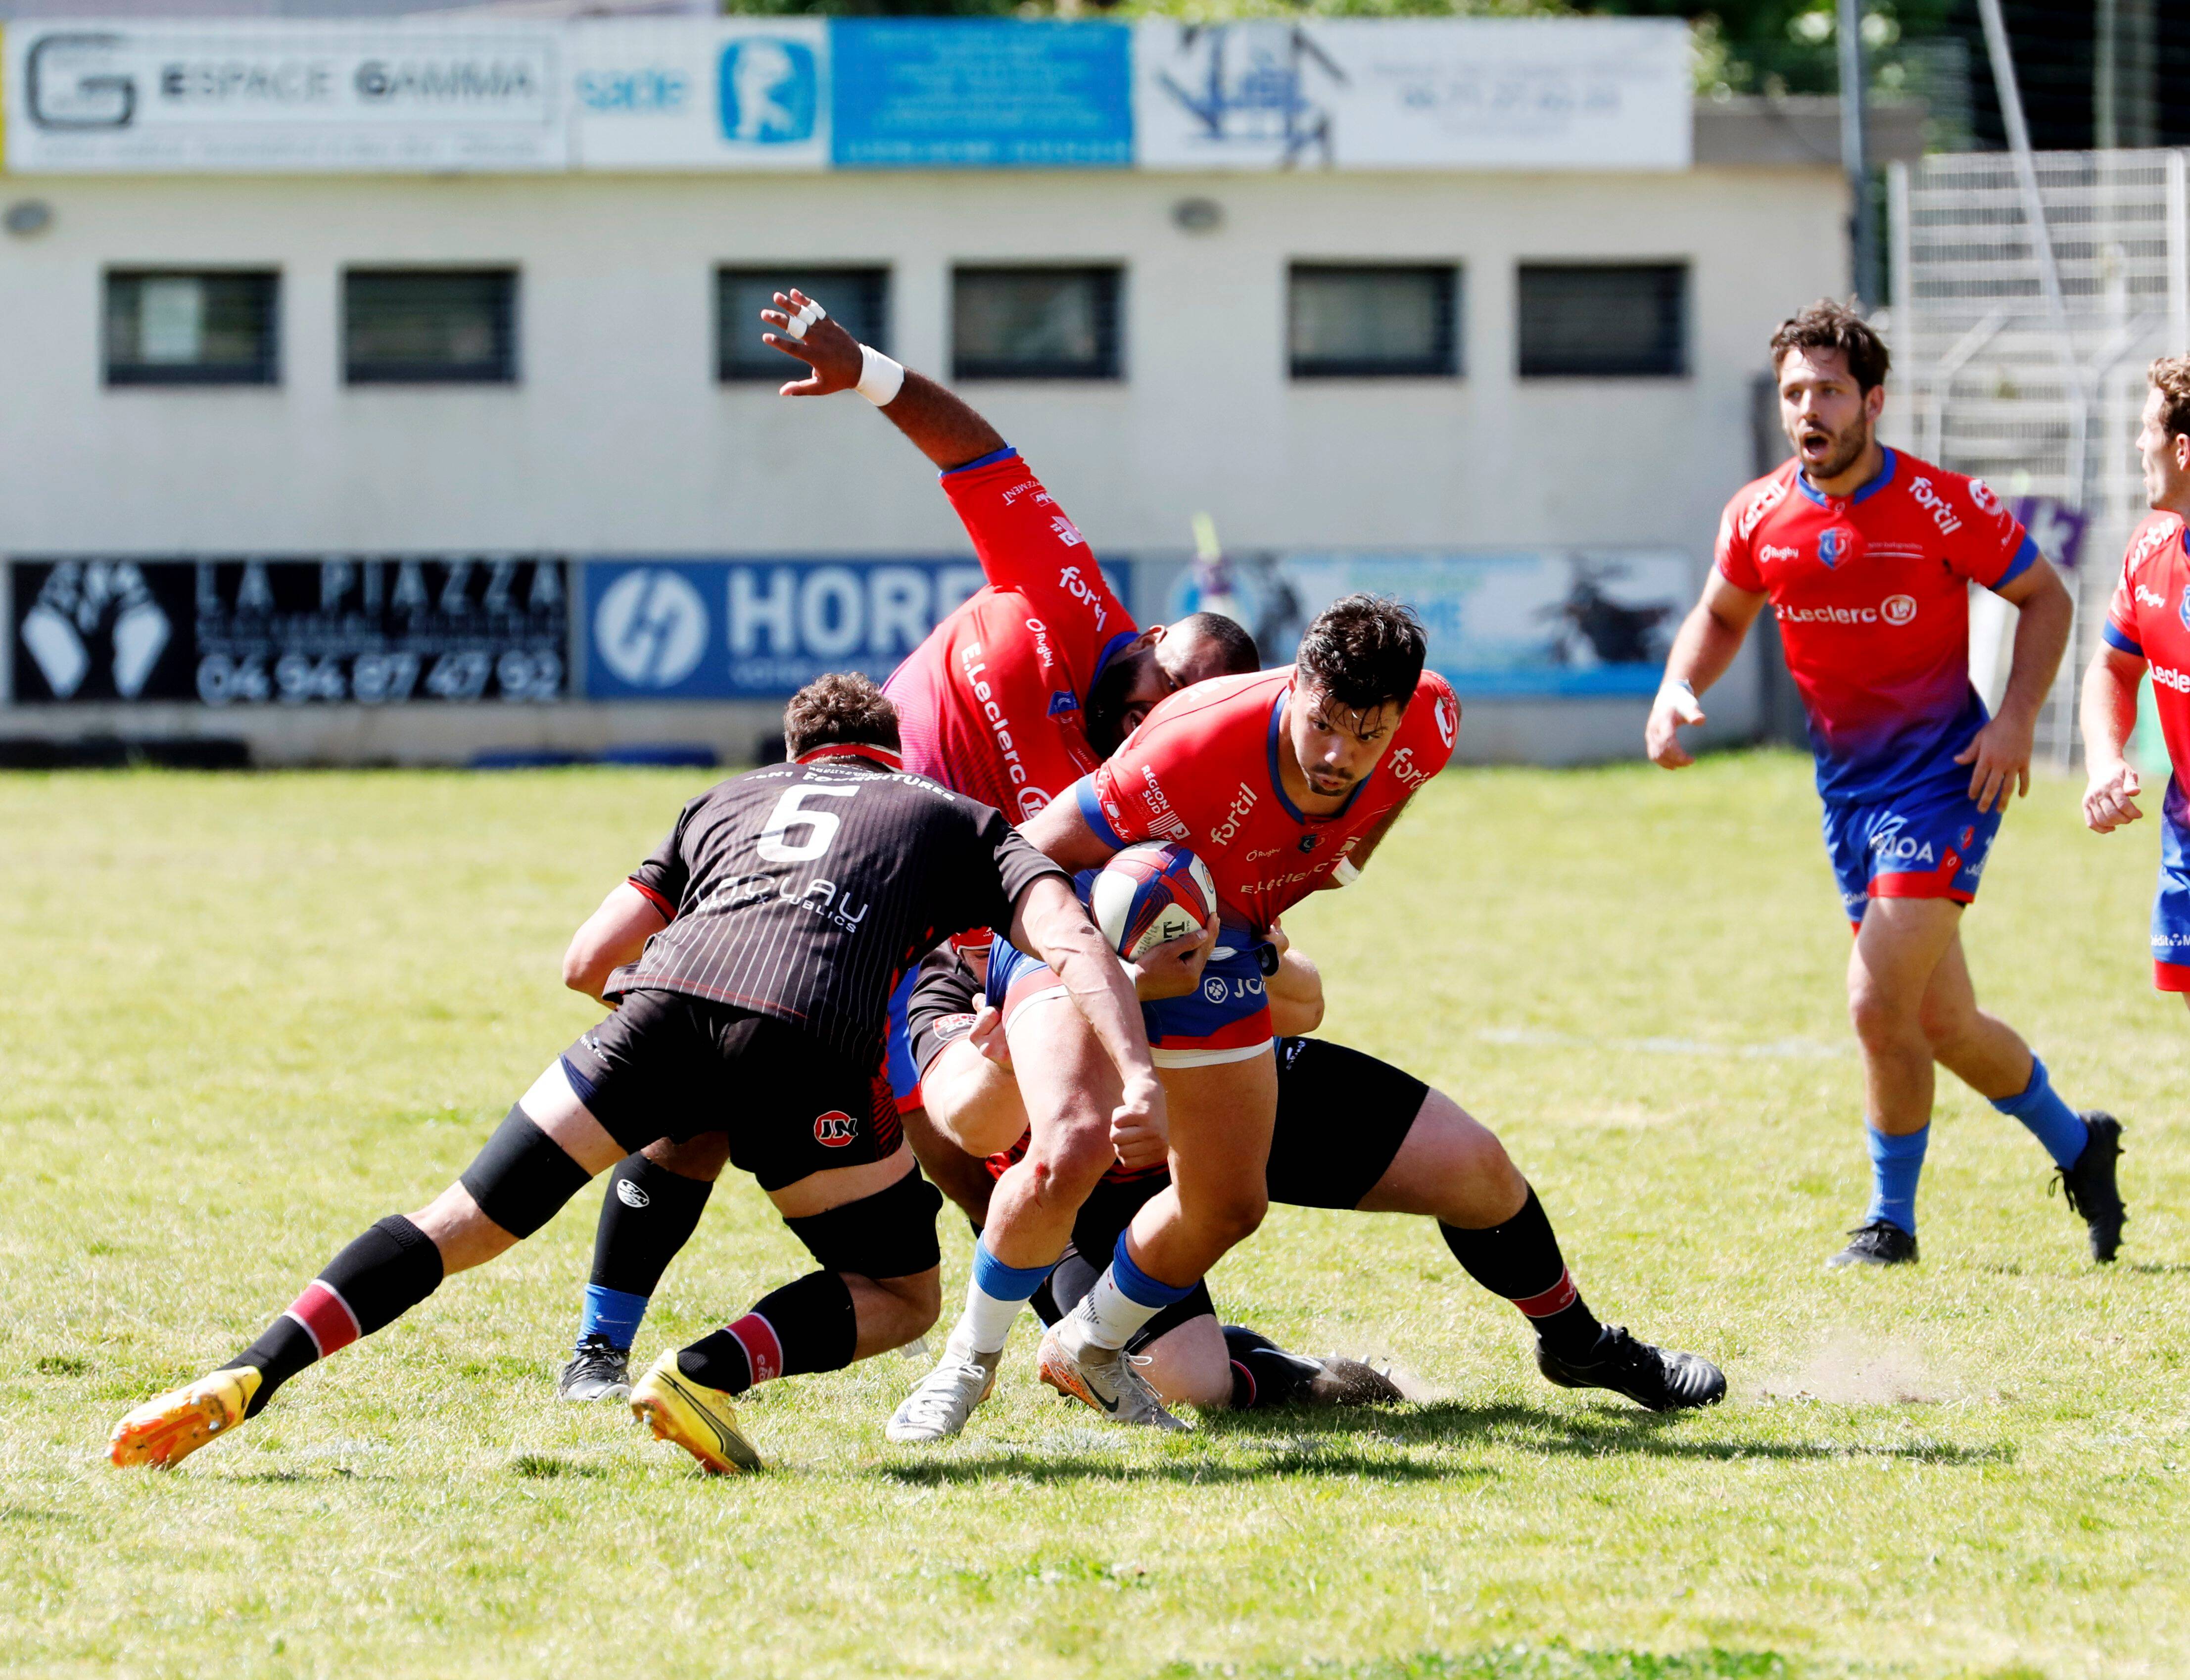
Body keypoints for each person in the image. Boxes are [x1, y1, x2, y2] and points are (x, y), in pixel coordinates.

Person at [109, 675, 1164, 1475]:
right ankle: (701, 1372)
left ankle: (252, 1372)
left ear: (797, 754)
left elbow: (583, 961)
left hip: (657, 1009)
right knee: (899, 1292)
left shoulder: (724, 800)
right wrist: (1133, 1075)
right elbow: (1067, 938)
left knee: (460, 1221)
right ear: (891, 754)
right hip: (805, 1044)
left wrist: (668, 1045)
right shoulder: (950, 815)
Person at [555, 289, 1257, 1403]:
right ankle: (598, 1347)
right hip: (827, 845)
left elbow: (1109, 930)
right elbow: (979, 453)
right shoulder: (1075, 601)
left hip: (938, 938)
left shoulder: (1141, 791)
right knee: (696, 1091)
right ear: (1159, 633)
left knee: (978, 1148)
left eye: (1174, 722)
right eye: (1163, 689)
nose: (1148, 721)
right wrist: (866, 372)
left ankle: (1091, 1324)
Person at [891, 594, 1460, 1436]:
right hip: (1069, 926)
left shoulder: (1432, 721)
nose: (1343, 756)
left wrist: (1283, 896)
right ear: (1294, 687)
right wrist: (1051, 977)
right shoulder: (1191, 741)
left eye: (1369, 736)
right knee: (1073, 1143)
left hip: (1197, 938)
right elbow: (1026, 858)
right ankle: (963, 1368)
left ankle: (1089, 1346)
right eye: (1325, 726)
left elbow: (1311, 968)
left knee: (1230, 1204)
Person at [1647, 298, 2124, 1269]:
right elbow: (1721, 613)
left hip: (1945, 780)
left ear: (1871, 401)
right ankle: (2082, 1147)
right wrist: (1675, 685)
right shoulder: (1757, 514)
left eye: (1826, 390)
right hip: (1847, 796)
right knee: (1938, 1020)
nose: (1806, 409)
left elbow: (2044, 597)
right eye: (1792, 393)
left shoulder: (1941, 505)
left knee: (1873, 1002)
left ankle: (1887, 1225)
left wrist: (2014, 720)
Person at [900, 940, 1726, 1416]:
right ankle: (1289, 1369)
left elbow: (1302, 1003)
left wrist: (1225, 949)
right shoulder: (940, 968)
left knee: (1473, 1168)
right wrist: (1030, 1029)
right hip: (1093, 1185)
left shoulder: (1146, 870)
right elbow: (968, 1129)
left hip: (1226, 1090)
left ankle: (1581, 1347)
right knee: (1191, 1383)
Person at [2080, 357, 2190, 1007]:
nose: (2136, 445)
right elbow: (2112, 668)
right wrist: (2102, 763)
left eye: (2144, 428)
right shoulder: (2151, 547)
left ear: (2181, 448)